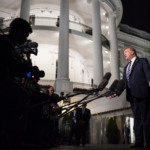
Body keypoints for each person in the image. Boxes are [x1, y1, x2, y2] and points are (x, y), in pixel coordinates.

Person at [0, 18, 33, 150]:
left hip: (6, 80)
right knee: (19, 96)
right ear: (17, 31)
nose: (25, 39)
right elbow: (12, 66)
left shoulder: (12, 46)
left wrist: (30, 73)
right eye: (25, 35)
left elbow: (25, 72)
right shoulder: (3, 43)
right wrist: (27, 70)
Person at [111, 46, 150, 149]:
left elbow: (148, 73)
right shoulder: (126, 68)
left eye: (126, 52)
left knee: (146, 119)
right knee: (137, 120)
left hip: (142, 94)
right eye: (124, 53)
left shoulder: (142, 61)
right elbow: (124, 83)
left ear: (132, 52)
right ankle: (139, 143)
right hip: (132, 97)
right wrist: (117, 93)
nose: (124, 54)